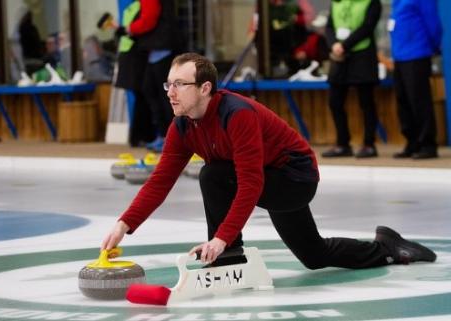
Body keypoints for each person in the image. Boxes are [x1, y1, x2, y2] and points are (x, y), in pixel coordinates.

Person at [102, 52, 436, 270]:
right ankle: (388, 249)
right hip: (270, 175)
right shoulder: (182, 125)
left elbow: (250, 182)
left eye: (179, 84)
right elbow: (160, 180)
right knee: (314, 255)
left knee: (213, 173)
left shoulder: (237, 115)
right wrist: (124, 224)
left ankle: (229, 258)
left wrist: (221, 239)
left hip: (295, 177)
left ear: (205, 88)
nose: (170, 92)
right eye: (168, 84)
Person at [115, 0, 183, 151]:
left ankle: (171, 138)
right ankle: (166, 135)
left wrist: (129, 29)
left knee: (162, 94)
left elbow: (148, 19)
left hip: (161, 47)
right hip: (158, 49)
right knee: (153, 91)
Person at [322, 0, 382, 158]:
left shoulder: (372, 2)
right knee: (335, 101)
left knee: (366, 102)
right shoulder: (336, 2)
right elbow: (329, 26)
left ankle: (369, 144)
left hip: (362, 56)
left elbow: (368, 27)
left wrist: (344, 45)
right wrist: (333, 44)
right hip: (340, 58)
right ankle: (342, 144)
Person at [389, 0, 442, 159]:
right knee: (403, 101)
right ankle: (412, 142)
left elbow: (433, 24)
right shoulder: (396, 2)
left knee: (419, 100)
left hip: (417, 53)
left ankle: (428, 144)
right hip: (399, 56)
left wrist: (433, 47)